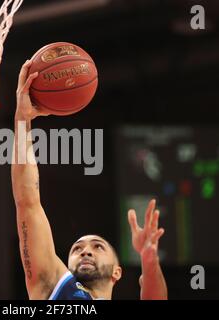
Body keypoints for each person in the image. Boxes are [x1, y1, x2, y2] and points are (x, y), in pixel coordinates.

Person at [11, 60, 168, 300]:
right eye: (77, 249)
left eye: (97, 247)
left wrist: (149, 260)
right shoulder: (53, 286)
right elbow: (28, 202)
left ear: (117, 272)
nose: (85, 251)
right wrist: (22, 119)